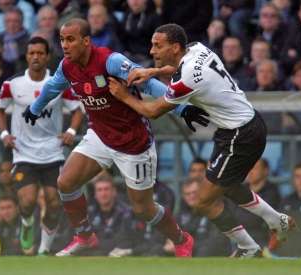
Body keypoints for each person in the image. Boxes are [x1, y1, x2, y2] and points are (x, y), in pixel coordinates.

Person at [108, 23, 296, 257]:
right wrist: (152, 72)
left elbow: (153, 110)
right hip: (239, 127)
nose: (152, 51)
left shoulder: (188, 79)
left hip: (241, 135)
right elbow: (177, 68)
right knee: (228, 186)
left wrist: (124, 96)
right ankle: (277, 222)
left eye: (158, 46)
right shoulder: (198, 48)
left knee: (204, 201)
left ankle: (249, 246)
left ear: (175, 47)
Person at [23, 18, 199, 257]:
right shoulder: (67, 66)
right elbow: (52, 87)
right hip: (100, 135)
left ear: (86, 41)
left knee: (143, 209)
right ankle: (85, 236)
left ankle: (181, 238)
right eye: (62, 40)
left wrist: (181, 109)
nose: (65, 45)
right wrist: (34, 109)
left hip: (133, 142)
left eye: (71, 40)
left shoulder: (111, 61)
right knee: (65, 182)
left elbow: (149, 85)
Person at [0, 36, 84, 255]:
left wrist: (71, 131)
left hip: (52, 153)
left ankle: (44, 249)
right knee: (27, 201)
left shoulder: (59, 82)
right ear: (26, 56)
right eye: (31, 53)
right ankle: (26, 225)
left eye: (40, 53)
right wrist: (5, 133)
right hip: (23, 153)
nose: (35, 57)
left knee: (54, 203)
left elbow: (77, 110)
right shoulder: (12, 84)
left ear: (47, 56)